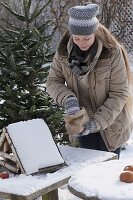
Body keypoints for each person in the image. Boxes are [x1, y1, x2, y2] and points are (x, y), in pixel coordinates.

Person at [46, 3, 133, 158]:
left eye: (86, 38)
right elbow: (53, 81)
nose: (82, 42)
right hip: (82, 122)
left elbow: (119, 94)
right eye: (77, 38)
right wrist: (69, 99)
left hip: (112, 123)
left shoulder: (112, 53)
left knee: (106, 173)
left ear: (95, 32)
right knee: (87, 171)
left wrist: (96, 123)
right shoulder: (63, 53)